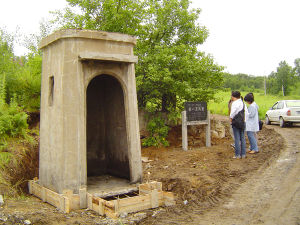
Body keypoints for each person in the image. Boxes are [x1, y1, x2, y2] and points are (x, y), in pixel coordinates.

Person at [230, 91, 248, 159]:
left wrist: (231, 119)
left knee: (237, 139)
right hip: (243, 122)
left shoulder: (235, 103)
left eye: (231, 96)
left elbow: (232, 113)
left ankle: (237, 155)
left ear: (233, 96)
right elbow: (247, 114)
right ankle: (243, 154)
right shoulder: (243, 103)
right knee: (242, 138)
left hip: (236, 123)